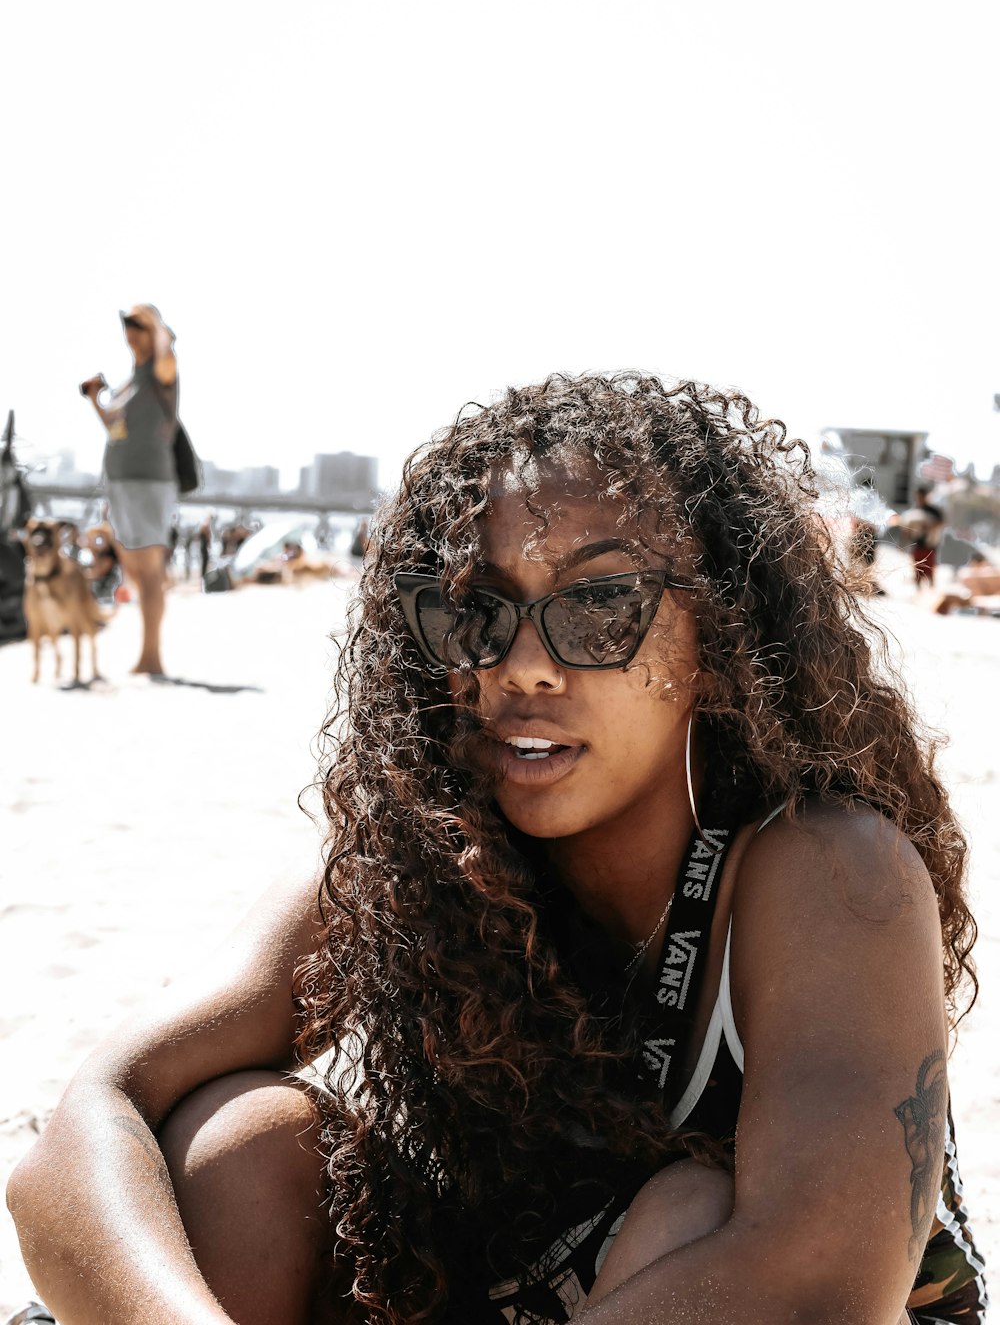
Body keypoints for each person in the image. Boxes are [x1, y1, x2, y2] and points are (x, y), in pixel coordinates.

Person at [7, 374, 985, 1325]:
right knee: (241, 1140)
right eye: (475, 610)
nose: (522, 663)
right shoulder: (412, 859)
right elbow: (84, 1127)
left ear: (721, 639)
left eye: (600, 604)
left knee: (689, 1208)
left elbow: (818, 1280)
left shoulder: (827, 871)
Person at [79, 305, 179, 674]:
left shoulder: (162, 370)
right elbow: (114, 426)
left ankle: (151, 656)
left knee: (150, 570)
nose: (131, 335)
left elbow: (166, 351)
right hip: (120, 482)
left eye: (138, 328)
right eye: (128, 328)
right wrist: (94, 398)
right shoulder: (129, 382)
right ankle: (146, 652)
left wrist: (155, 324)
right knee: (134, 569)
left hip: (149, 482)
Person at [900, 487, 945, 591]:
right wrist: (902, 544)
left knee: (929, 570)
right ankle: (919, 592)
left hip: (929, 545)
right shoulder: (913, 512)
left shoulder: (934, 511)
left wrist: (928, 525)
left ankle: (932, 592)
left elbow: (941, 523)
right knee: (918, 570)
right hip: (917, 545)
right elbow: (906, 529)